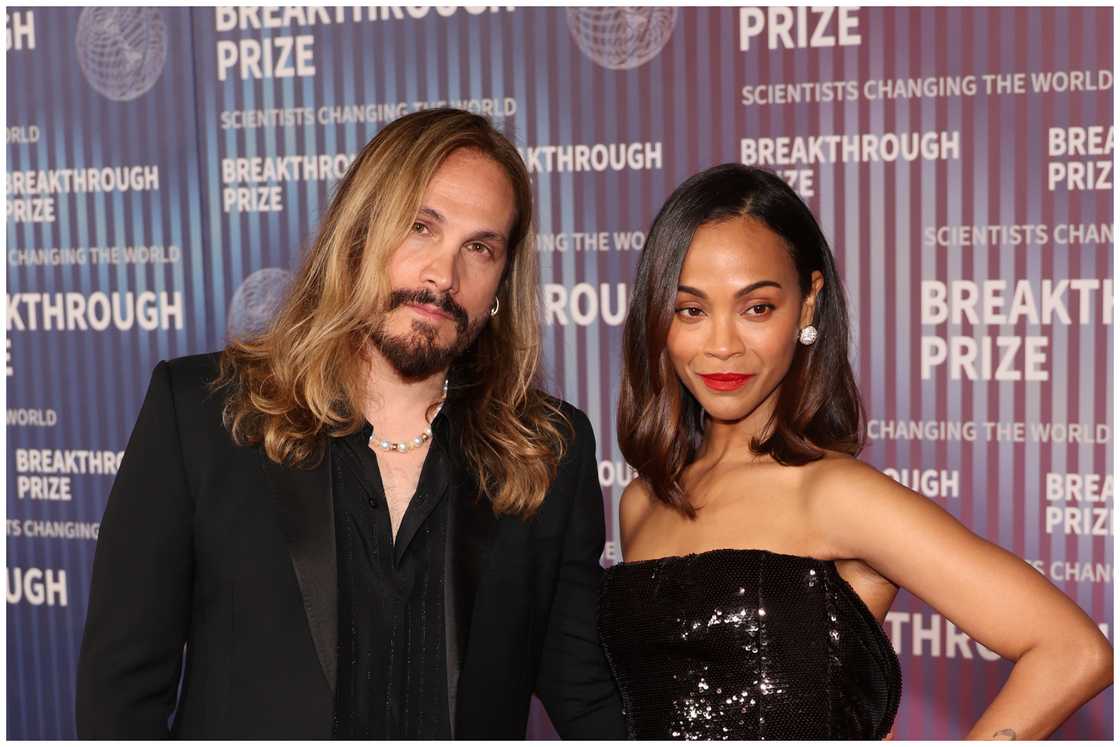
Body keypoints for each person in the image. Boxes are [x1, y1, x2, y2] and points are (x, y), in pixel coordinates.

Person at [76, 108, 625, 740]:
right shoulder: (203, 413)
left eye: (480, 248)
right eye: (420, 227)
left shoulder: (548, 449)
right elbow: (120, 697)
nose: (443, 276)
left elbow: (584, 692)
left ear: (503, 280)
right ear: (359, 232)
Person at [599, 164, 1113, 740]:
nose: (722, 345)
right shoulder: (642, 501)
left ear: (808, 306)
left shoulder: (835, 494)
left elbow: (1071, 650)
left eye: (757, 308)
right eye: (690, 310)